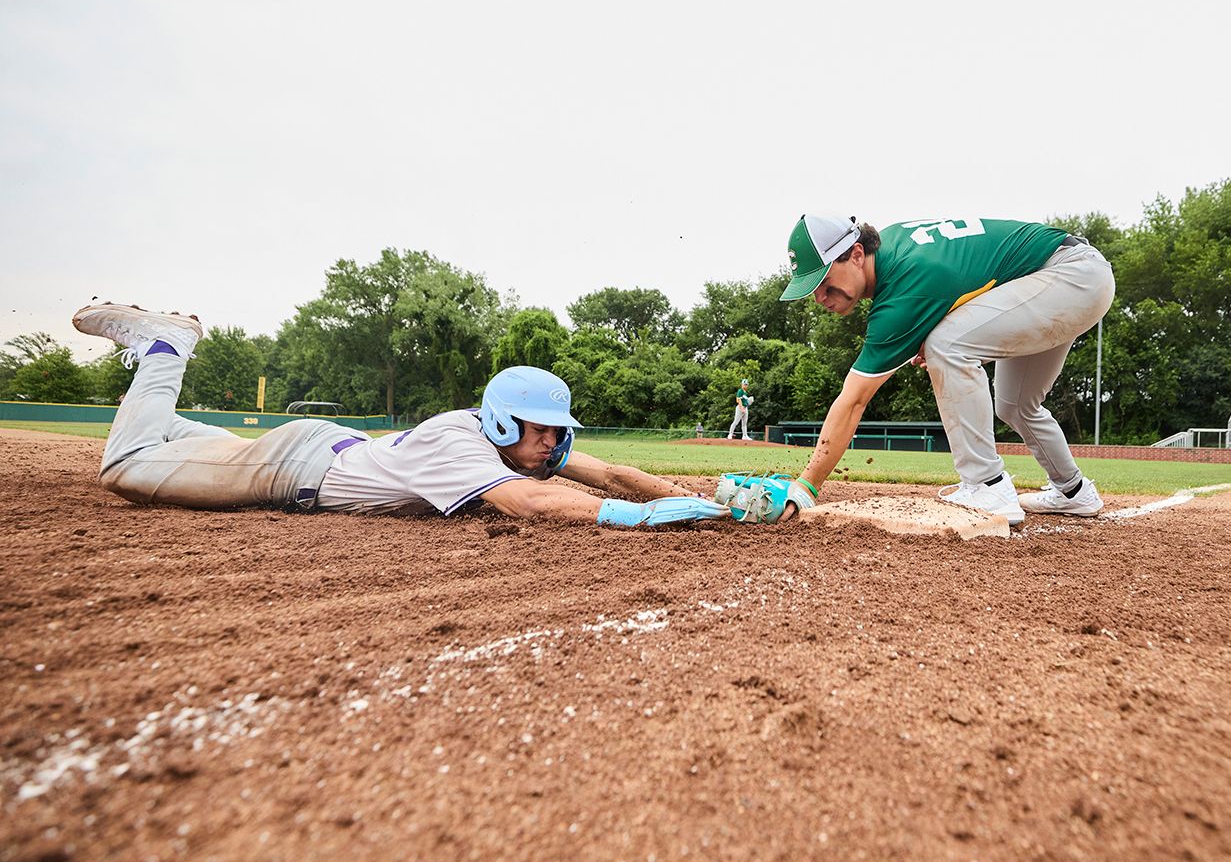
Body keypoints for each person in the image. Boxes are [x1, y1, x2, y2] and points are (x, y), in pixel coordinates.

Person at [72, 303, 729, 527]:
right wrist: (635, 518)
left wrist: (701, 501)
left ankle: (168, 413)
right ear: (503, 425)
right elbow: (531, 505)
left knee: (165, 443)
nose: (555, 445)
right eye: (543, 431)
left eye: (560, 432)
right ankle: (166, 348)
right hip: (286, 467)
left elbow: (608, 471)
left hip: (322, 449)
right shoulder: (462, 445)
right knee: (126, 466)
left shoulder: (507, 442)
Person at [770, 214, 1115, 525]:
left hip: (1069, 275)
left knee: (947, 346)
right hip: (1067, 276)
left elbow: (854, 401)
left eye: (824, 280)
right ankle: (1074, 491)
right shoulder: (895, 250)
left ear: (857, 254)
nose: (819, 297)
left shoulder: (902, 288)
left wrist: (806, 486)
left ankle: (986, 484)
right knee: (1015, 404)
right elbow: (955, 284)